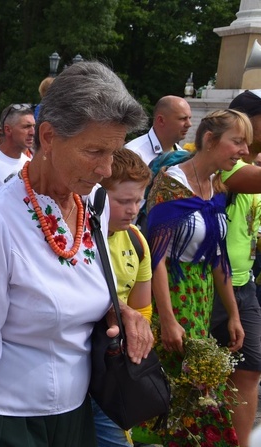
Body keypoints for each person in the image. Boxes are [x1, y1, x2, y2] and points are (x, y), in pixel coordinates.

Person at [0, 61, 151, 446]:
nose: (106, 168)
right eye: (94, 151)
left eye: (114, 151)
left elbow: (81, 289)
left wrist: (119, 311)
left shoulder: (93, 205)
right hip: (7, 423)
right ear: (49, 136)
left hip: (78, 416)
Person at [141, 109, 249, 446]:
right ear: (209, 140)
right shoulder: (171, 183)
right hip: (172, 294)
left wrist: (233, 313)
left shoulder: (217, 185)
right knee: (181, 388)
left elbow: (217, 257)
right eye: (237, 142)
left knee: (195, 389)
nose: (244, 151)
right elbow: (155, 257)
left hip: (201, 298)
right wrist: (169, 319)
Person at [209, 90, 261, 447]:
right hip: (212, 287)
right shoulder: (228, 167)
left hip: (245, 285)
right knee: (207, 377)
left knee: (249, 371)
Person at [95, 148, 153, 447]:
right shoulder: (81, 236)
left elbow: (143, 306)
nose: (133, 209)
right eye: (123, 201)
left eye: (138, 200)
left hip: (114, 367)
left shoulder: (136, 239)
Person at [125, 95, 192, 166]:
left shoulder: (183, 156)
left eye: (189, 118)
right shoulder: (133, 153)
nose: (189, 124)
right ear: (161, 120)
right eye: (182, 118)